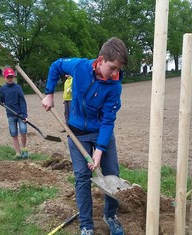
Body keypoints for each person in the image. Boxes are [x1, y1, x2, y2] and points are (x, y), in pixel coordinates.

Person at [42, 37, 128, 235]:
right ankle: (86, 225)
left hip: (101, 132)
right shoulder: (79, 67)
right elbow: (56, 66)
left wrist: (99, 150)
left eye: (118, 69)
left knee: (112, 174)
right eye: (113, 68)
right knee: (82, 177)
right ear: (100, 60)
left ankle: (111, 215)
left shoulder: (115, 86)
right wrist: (49, 93)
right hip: (77, 132)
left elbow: (108, 121)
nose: (116, 73)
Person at [0, 67, 29, 159]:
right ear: (4, 77)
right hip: (10, 115)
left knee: (23, 131)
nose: (10, 79)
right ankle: (17, 153)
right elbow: (2, 100)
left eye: (11, 77)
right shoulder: (3, 89)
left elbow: (22, 102)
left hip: (20, 114)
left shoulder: (18, 88)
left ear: (13, 77)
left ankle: (24, 149)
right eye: (8, 77)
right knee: (14, 134)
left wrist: (25, 115)